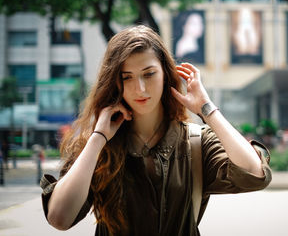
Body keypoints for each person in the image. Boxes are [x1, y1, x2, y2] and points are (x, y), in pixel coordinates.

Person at [40, 25, 272, 236]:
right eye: (127, 77)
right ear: (115, 82)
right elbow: (60, 217)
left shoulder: (196, 143)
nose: (140, 88)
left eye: (149, 74)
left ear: (165, 74)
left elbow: (254, 174)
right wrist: (98, 138)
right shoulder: (98, 146)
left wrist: (206, 109)